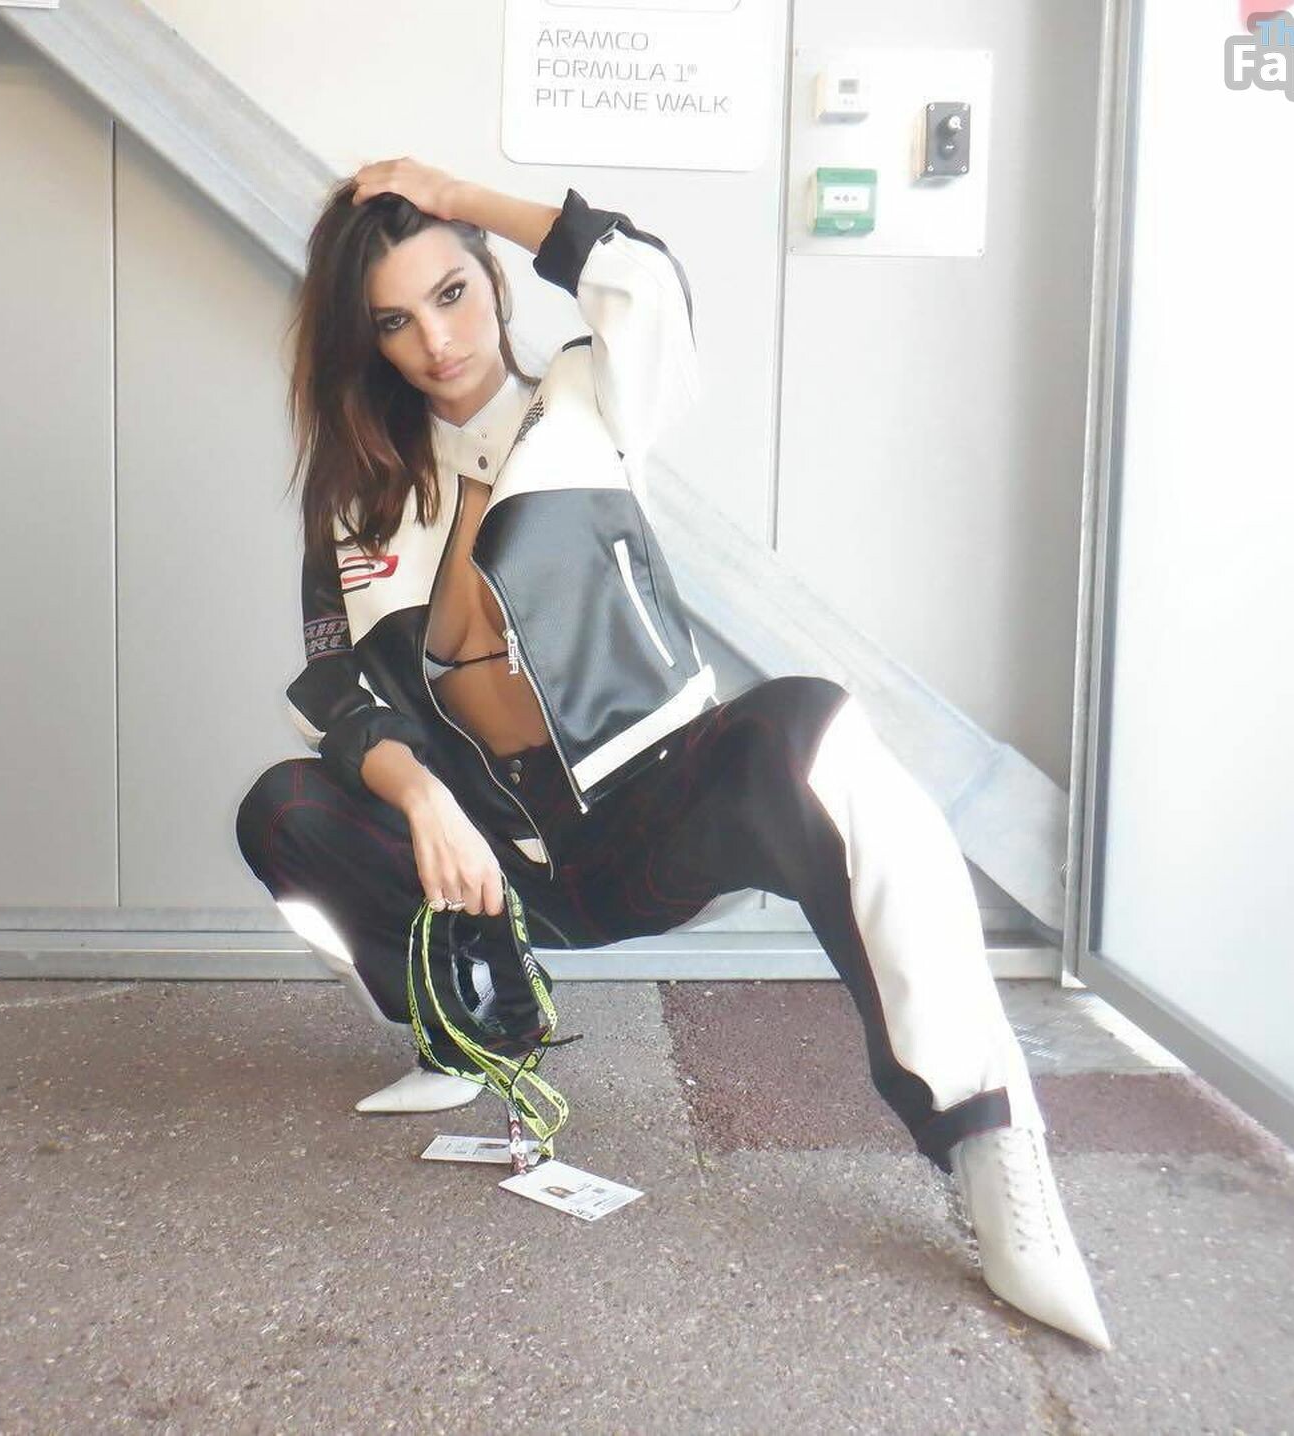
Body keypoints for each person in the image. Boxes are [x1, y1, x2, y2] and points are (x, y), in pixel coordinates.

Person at [235, 159, 1111, 1349]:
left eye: (452, 292)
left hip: (647, 815)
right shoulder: (361, 500)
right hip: (502, 866)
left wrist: (460, 195)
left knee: (810, 728)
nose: (435, 340)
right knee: (284, 809)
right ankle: (468, 1029)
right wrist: (425, 797)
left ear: (494, 279)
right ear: (365, 343)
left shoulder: (589, 396)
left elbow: (641, 277)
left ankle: (988, 1138)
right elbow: (332, 683)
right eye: (394, 321)